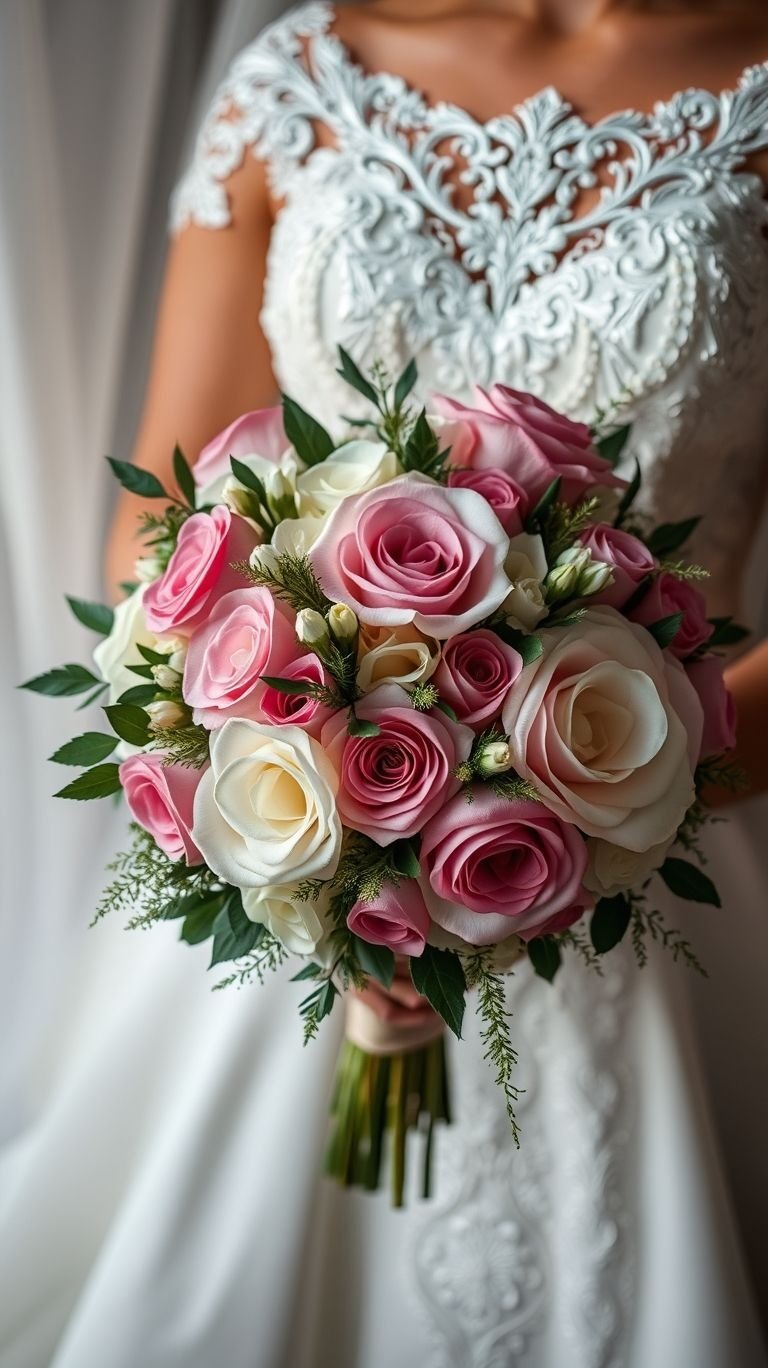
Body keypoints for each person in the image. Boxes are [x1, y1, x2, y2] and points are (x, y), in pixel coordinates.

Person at [5, 2, 768, 1364]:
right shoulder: (303, 76)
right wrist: (328, 828)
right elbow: (155, 527)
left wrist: (591, 813)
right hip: (296, 851)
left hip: (655, 862)